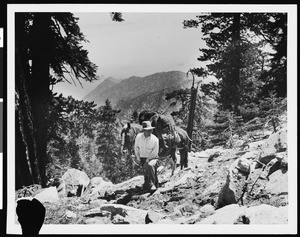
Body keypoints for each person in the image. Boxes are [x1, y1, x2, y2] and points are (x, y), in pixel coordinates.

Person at [134, 120, 159, 191]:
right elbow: (136, 147)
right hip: (142, 158)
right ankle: (147, 185)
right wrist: (138, 158)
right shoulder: (138, 137)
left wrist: (148, 161)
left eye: (150, 130)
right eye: (147, 130)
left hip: (153, 158)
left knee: (149, 165)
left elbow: (155, 152)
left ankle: (153, 184)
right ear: (144, 130)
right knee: (146, 172)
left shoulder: (155, 139)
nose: (149, 132)